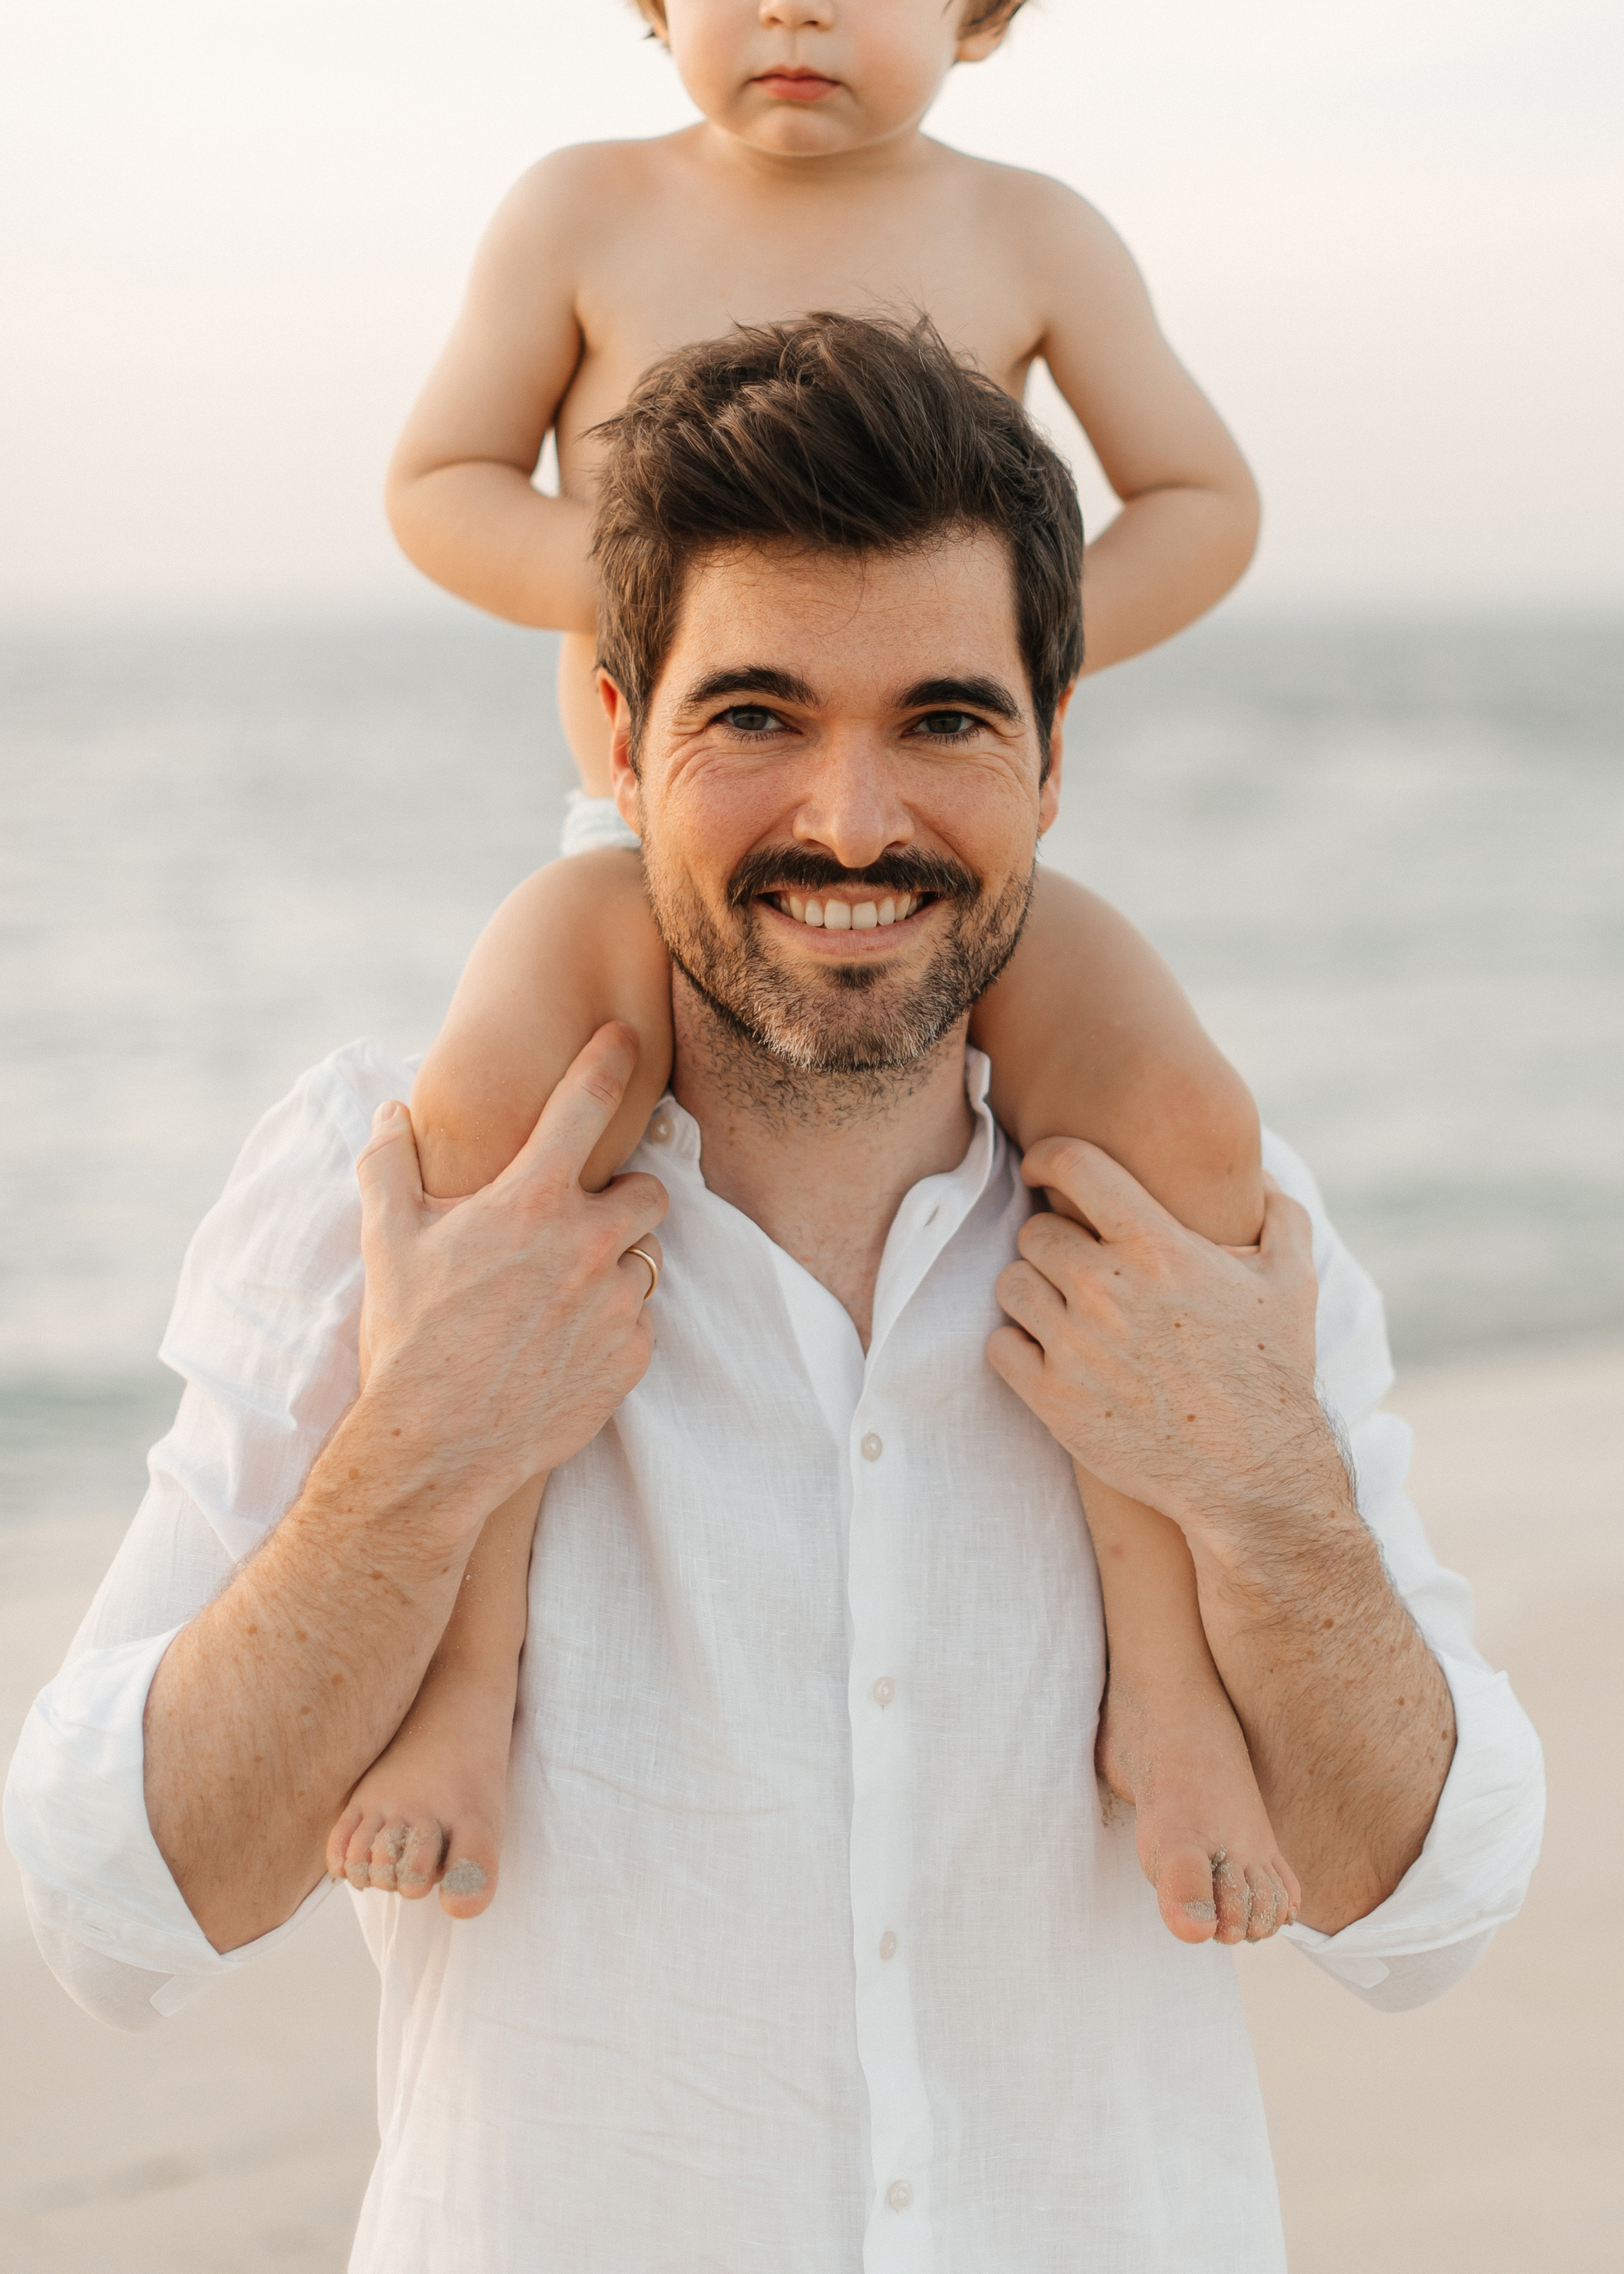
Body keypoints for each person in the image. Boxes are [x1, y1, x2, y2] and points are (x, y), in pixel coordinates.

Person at [6, 317, 1543, 2271]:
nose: (850, 818)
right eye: (757, 717)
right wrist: (420, 1454)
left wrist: (1252, 1475)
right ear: (623, 744)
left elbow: (1432, 1914)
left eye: (944, 719)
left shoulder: (1195, 1236)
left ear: (1055, 759)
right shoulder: (396, 1205)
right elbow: (112, 1915)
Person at [366, 0, 1285, 1947]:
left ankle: (1167, 1684)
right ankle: (464, 1675)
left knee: (1179, 1136)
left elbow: (1200, 499)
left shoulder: (1022, 235)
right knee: (489, 1131)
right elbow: (438, 479)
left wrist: (986, 665)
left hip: (948, 866)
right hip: (650, 853)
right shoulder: (587, 210)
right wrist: (682, 620)